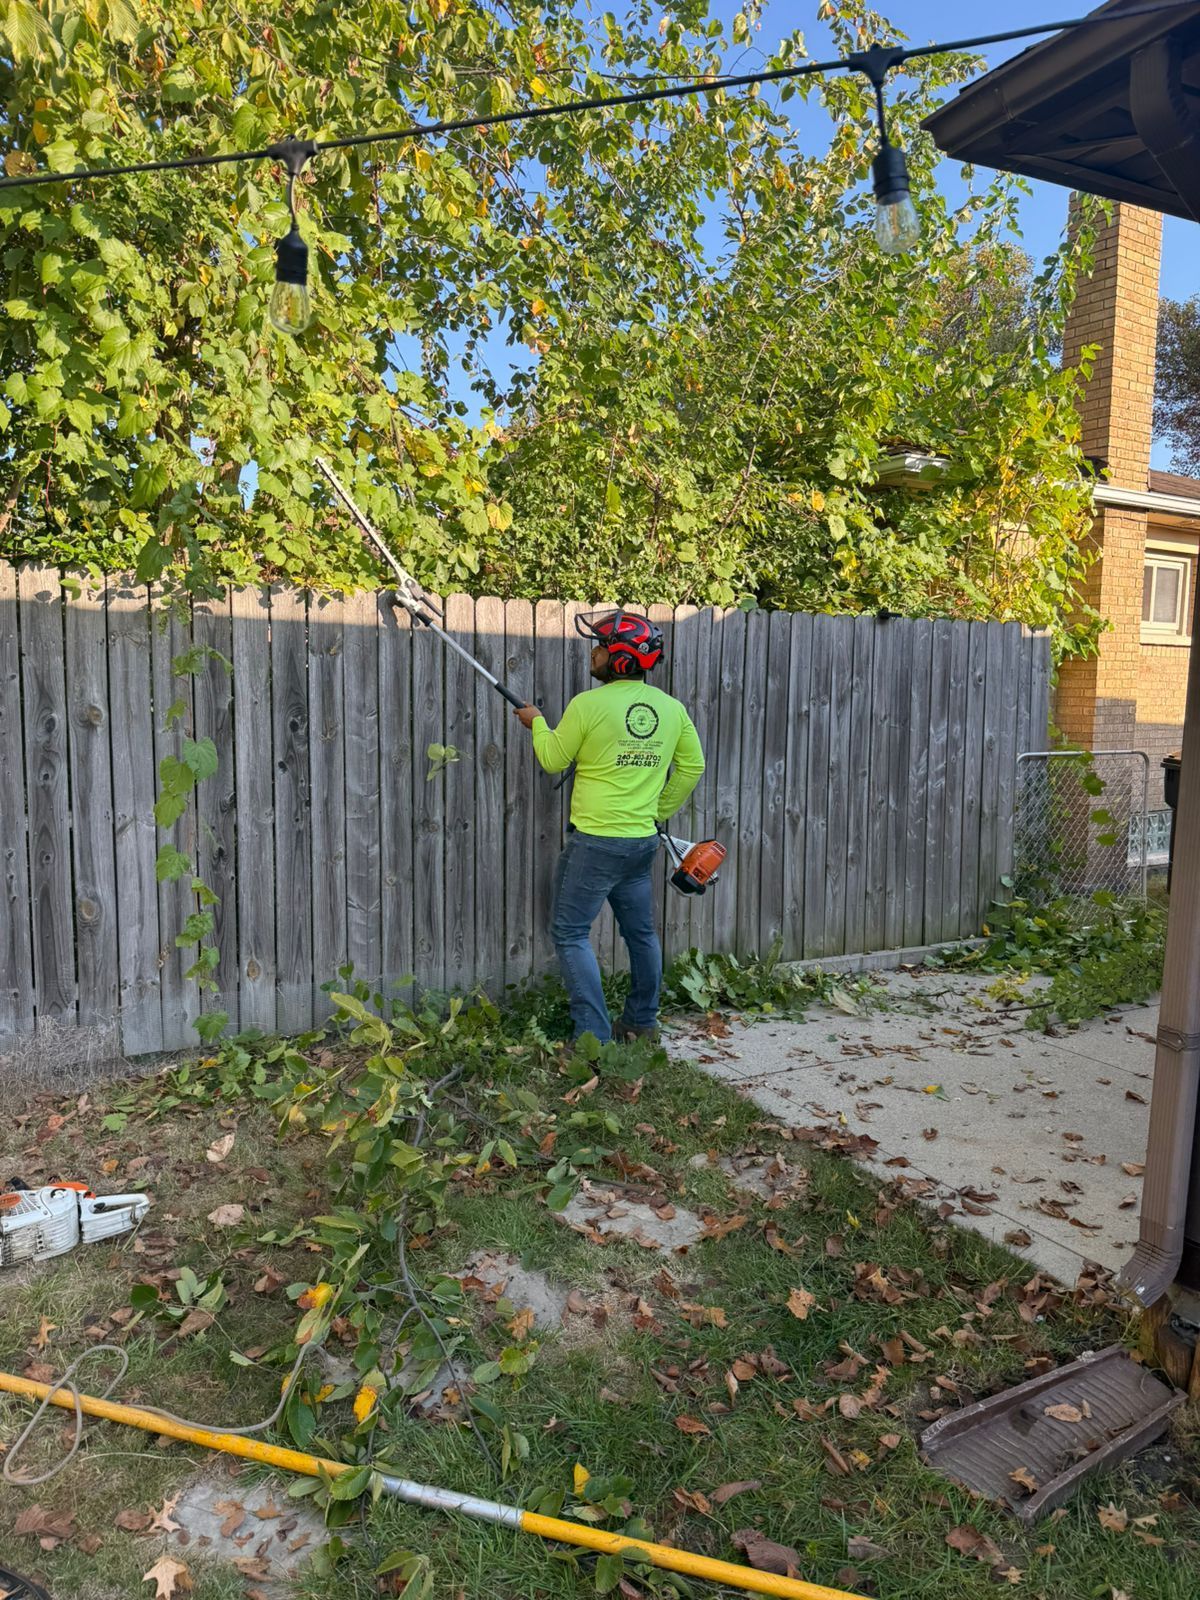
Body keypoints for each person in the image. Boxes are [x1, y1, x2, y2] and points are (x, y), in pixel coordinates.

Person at [514, 610, 705, 1044]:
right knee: (640, 933)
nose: (593, 652)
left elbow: (553, 759)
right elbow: (693, 766)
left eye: (600, 645)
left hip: (596, 844)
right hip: (640, 844)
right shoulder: (671, 709)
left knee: (569, 932)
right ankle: (641, 1023)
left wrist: (537, 723)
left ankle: (592, 1039)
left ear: (618, 656)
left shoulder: (589, 704)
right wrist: (657, 810)